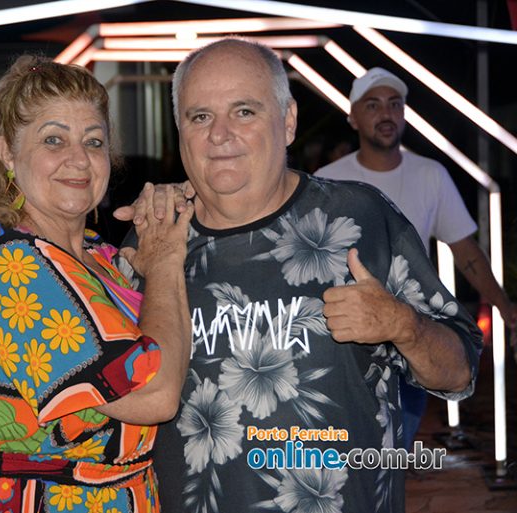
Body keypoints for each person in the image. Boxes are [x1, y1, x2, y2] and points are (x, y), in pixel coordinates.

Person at [114, 38, 482, 513]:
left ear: (287, 121)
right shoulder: (152, 239)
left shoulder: (361, 219)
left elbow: (460, 372)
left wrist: (403, 325)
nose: (219, 135)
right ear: (180, 129)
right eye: (200, 116)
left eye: (244, 112)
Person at [0, 55, 194, 513]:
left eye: (94, 141)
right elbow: (153, 395)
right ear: (7, 153)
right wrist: (166, 261)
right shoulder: (10, 267)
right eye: (53, 139)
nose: (79, 159)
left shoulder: (98, 258)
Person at [315, 67, 516, 449]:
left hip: (413, 336)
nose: (386, 114)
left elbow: (465, 251)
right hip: (348, 340)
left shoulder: (430, 175)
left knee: (397, 448)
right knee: (351, 449)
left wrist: (504, 307)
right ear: (353, 117)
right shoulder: (328, 180)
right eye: (373, 105)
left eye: (395, 104)